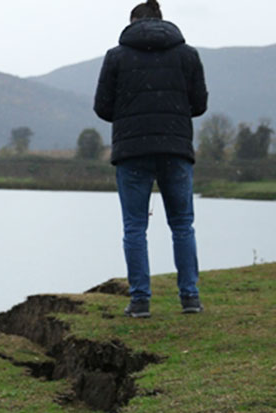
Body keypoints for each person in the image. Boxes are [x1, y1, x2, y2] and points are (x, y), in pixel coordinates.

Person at [93, 0, 208, 318]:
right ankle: (190, 298)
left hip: (132, 152)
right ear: (161, 19)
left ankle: (140, 301)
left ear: (133, 22)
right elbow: (198, 104)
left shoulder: (116, 56)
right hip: (175, 148)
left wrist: (131, 115)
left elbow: (102, 107)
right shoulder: (187, 55)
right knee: (183, 225)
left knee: (134, 228)